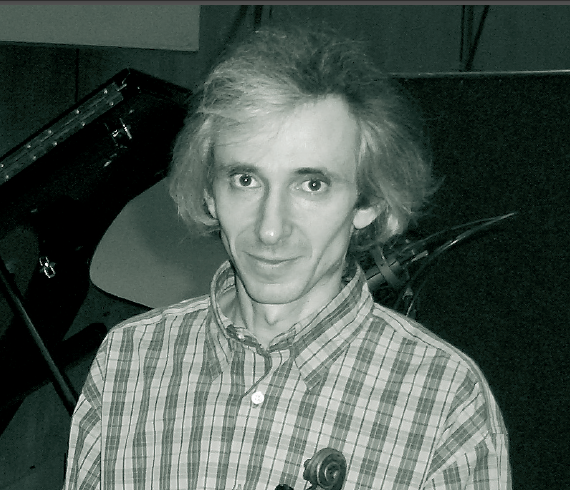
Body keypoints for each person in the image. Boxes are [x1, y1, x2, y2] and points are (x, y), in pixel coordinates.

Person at [63, 22, 511, 490]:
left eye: (311, 185)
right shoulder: (128, 360)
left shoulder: (444, 399)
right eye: (245, 180)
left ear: (368, 202)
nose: (270, 229)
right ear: (210, 193)